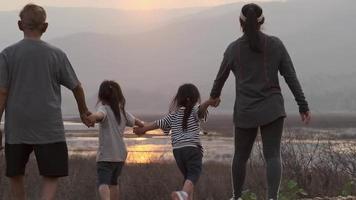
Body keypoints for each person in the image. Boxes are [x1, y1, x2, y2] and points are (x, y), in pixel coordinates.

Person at [208, 3, 311, 200]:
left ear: (240, 22)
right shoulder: (276, 44)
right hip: (272, 108)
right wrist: (302, 105)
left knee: (240, 156)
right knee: (273, 155)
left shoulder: (233, 49)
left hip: (245, 110)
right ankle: (273, 198)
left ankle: (236, 197)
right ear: (262, 22)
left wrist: (213, 97)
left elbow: (219, 78)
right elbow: (291, 76)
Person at [0, 4, 92, 200]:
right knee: (51, 174)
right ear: (45, 27)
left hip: (17, 125)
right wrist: (84, 112)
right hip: (48, 125)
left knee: (15, 173)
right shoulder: (56, 55)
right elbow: (77, 87)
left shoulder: (7, 54)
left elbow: (2, 93)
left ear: (19, 25)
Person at [134, 83, 215, 200]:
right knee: (193, 176)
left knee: (188, 179)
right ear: (193, 98)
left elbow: (158, 123)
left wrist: (143, 129)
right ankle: (182, 194)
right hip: (192, 149)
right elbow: (201, 110)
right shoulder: (194, 108)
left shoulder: (173, 114)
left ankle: (184, 195)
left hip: (178, 152)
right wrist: (208, 102)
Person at [86, 80, 144, 200]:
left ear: (101, 96)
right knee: (114, 183)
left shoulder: (104, 109)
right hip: (120, 155)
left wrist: (92, 117)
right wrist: (142, 128)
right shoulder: (121, 111)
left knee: (103, 183)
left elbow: (99, 116)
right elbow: (137, 122)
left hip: (106, 155)